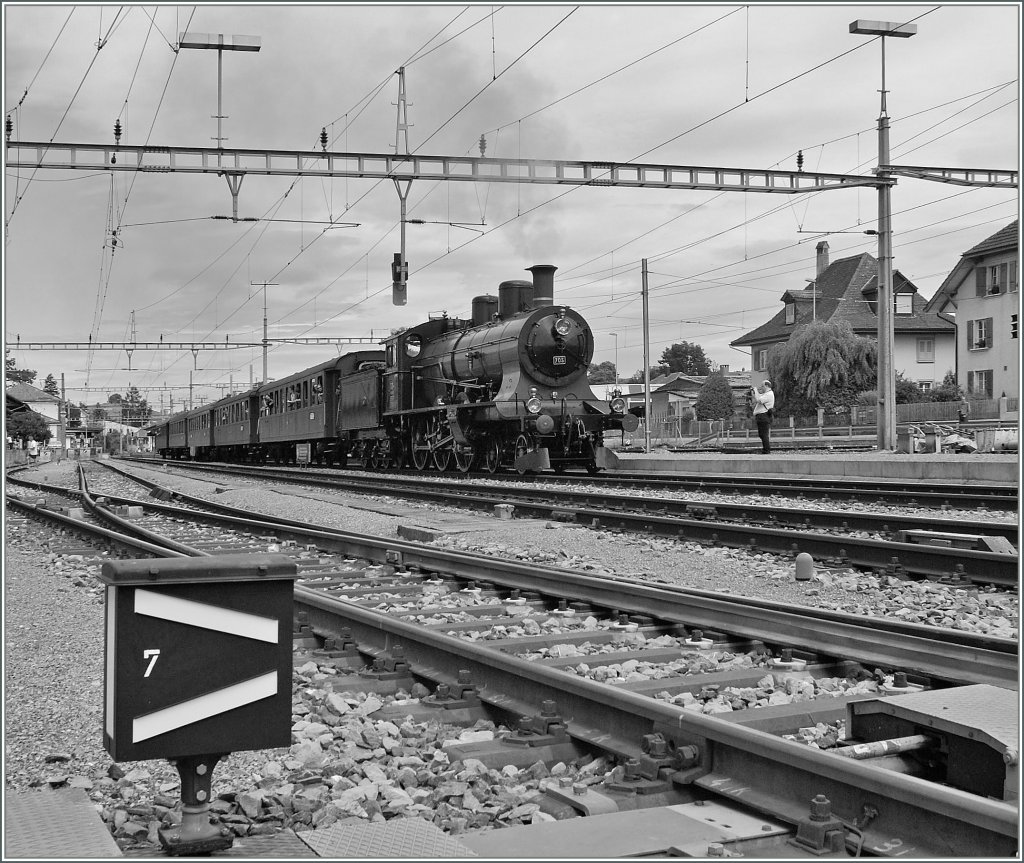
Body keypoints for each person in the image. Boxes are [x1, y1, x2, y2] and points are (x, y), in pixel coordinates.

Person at [751, 380, 775, 454]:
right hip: (762, 416)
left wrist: (755, 390)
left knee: (764, 434)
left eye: (762, 386)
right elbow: (757, 397)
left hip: (763, 416)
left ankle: (766, 450)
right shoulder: (766, 394)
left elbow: (759, 400)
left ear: (767, 386)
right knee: (761, 434)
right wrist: (755, 392)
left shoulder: (769, 394)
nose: (761, 388)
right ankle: (765, 449)